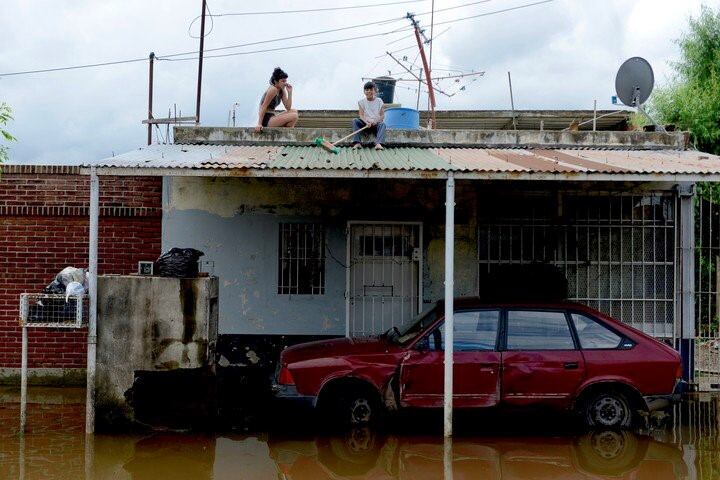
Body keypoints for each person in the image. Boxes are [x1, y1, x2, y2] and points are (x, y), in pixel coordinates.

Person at [255, 67, 298, 132]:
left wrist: (289, 93)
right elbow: (263, 106)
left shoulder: (282, 90)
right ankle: (286, 133)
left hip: (272, 117)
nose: (285, 83)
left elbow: (288, 107)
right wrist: (259, 124)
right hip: (266, 119)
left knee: (294, 111)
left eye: (285, 81)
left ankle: (285, 133)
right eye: (283, 81)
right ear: (276, 81)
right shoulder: (273, 89)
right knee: (294, 116)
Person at [351, 81, 386, 150]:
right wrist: (366, 122)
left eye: (371, 90)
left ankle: (378, 144)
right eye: (367, 90)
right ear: (364, 91)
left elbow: (382, 115)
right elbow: (361, 115)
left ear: (375, 91)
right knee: (355, 120)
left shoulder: (379, 101)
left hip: (375, 125)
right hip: (366, 124)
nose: (369, 91)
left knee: (382, 124)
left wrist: (375, 121)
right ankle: (357, 143)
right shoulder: (361, 102)